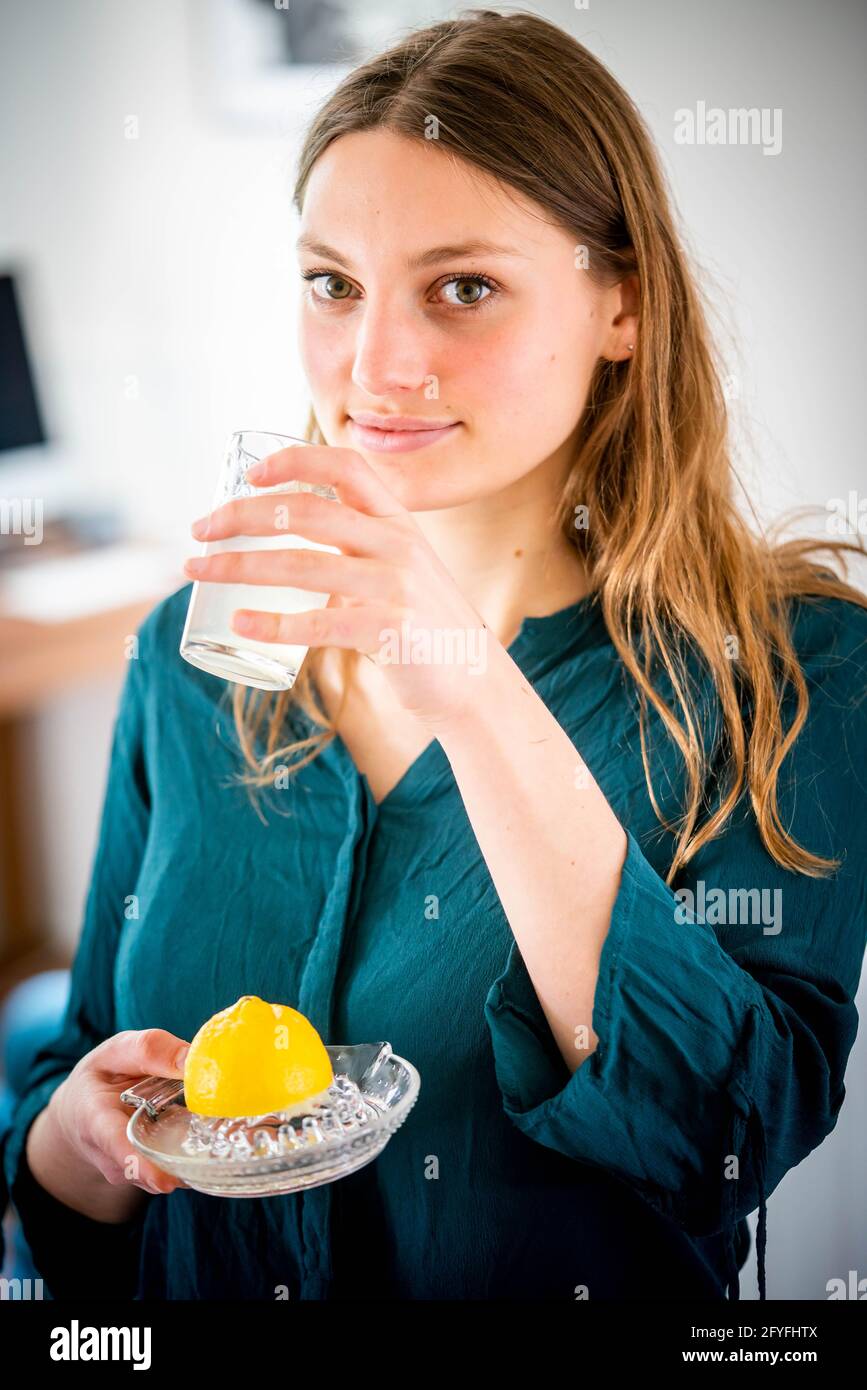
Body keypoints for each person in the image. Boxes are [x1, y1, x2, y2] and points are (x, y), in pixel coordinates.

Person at [4, 9, 866, 1302]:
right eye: (333, 283)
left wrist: (464, 673)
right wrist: (75, 1139)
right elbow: (73, 1100)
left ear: (621, 302)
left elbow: (724, 1131)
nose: (375, 363)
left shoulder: (793, 671)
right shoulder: (188, 660)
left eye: (464, 286)